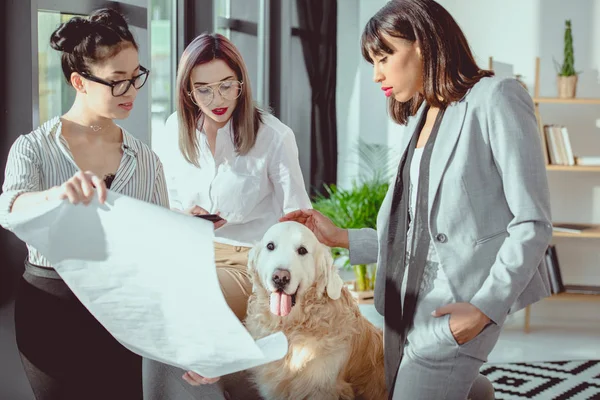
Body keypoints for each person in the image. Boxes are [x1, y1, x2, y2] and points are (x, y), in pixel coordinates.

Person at [281, 0, 553, 399]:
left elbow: (532, 223)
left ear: (422, 43)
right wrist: (339, 237)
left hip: (457, 303)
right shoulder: (422, 115)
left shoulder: (496, 97)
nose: (376, 75)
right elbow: (417, 234)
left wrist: (483, 310)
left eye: (384, 56)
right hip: (404, 306)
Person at [0, 9, 167, 400]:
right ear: (79, 81)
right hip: (52, 311)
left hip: (125, 309)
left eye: (135, 76)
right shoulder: (34, 148)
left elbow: (159, 251)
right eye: (117, 82)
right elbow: (8, 208)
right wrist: (57, 195)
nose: (132, 91)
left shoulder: (146, 161)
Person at [146, 33, 311, 398]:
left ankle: (211, 361)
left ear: (241, 83)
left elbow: (298, 222)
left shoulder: (274, 137)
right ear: (188, 91)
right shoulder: (175, 128)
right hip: (189, 252)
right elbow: (160, 202)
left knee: (192, 298)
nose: (217, 99)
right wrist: (182, 215)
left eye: (226, 86)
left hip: (247, 261)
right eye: (202, 89)